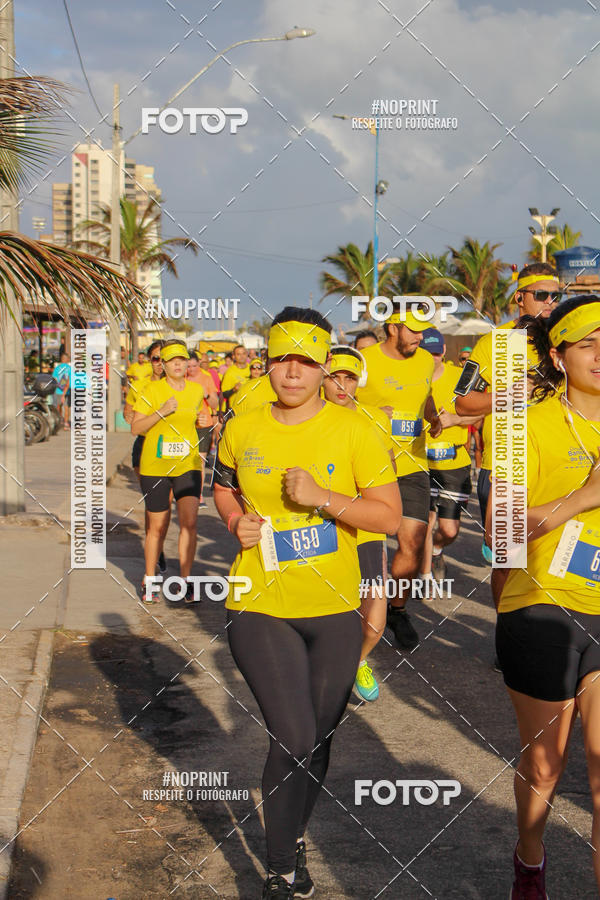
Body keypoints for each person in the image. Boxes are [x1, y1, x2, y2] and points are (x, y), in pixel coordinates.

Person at [213, 307, 402, 899]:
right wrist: (236, 519)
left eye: (305, 361)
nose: (291, 372)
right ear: (267, 362)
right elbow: (222, 486)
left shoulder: (356, 430)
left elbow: (388, 516)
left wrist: (323, 498)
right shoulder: (243, 421)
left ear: (325, 366)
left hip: (334, 607)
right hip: (258, 601)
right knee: (292, 736)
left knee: (317, 741)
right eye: (281, 360)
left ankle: (290, 832)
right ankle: (280, 869)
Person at [491, 296, 600, 897]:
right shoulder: (522, 426)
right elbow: (502, 534)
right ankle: (529, 858)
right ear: (557, 357)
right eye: (588, 343)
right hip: (542, 605)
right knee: (544, 767)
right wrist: (583, 498)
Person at [356, 303, 442, 650]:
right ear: (393, 327)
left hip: (413, 464)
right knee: (367, 545)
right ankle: (358, 609)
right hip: (369, 464)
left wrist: (434, 417)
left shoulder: (424, 360)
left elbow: (425, 395)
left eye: (423, 331)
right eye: (414, 330)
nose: (420, 337)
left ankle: (397, 609)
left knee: (413, 539)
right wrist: (372, 412)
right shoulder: (365, 360)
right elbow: (337, 401)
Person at [322, 345, 396, 702]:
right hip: (324, 530)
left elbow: (389, 475)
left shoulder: (377, 421)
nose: (341, 385)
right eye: (334, 376)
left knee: (374, 621)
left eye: (349, 377)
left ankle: (357, 660)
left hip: (366, 528)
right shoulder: (308, 421)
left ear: (359, 381)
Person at [131, 340, 205, 603]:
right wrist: (161, 412)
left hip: (187, 464)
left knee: (190, 523)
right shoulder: (152, 389)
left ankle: (185, 582)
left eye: (182, 359)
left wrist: (205, 422)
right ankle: (150, 579)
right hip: (156, 466)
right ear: (162, 364)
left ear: (187, 363)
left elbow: (201, 418)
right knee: (158, 527)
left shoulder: (197, 391)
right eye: (171, 360)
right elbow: (136, 428)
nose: (177, 364)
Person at [419, 329, 480, 582]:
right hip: (420, 462)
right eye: (427, 353)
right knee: (425, 522)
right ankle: (424, 578)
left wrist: (454, 419)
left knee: (449, 529)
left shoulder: (460, 377)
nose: (432, 358)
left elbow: (482, 412)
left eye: (436, 352)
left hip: (454, 463)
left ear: (443, 352)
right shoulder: (412, 378)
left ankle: (436, 550)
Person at [123, 340, 168, 574]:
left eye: (164, 358)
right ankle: (156, 548)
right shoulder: (139, 386)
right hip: (144, 446)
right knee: (152, 502)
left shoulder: (180, 387)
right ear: (150, 361)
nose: (160, 364)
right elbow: (127, 412)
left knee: (165, 505)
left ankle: (157, 542)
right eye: (156, 359)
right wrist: (135, 419)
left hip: (171, 449)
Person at [186, 351, 219, 507]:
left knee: (199, 460)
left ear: (199, 364)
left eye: (194, 365)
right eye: (189, 366)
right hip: (185, 424)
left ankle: (198, 495)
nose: (191, 369)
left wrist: (206, 395)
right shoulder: (181, 378)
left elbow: (214, 403)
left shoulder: (206, 378)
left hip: (203, 424)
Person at [220, 344, 250, 410]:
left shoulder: (253, 369)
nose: (242, 356)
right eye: (238, 354)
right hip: (237, 411)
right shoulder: (229, 372)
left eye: (243, 353)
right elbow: (224, 394)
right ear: (233, 356)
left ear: (247, 354)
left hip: (252, 409)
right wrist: (234, 389)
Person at [52, 351, 71, 430]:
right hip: (66, 391)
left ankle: (60, 421)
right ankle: (66, 423)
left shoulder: (57, 368)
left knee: (58, 406)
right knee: (66, 407)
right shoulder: (70, 368)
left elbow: (54, 378)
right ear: (67, 360)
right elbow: (68, 382)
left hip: (57, 390)